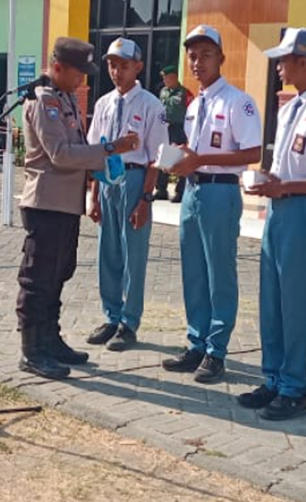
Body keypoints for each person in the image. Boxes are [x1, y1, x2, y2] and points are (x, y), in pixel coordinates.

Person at [240, 28, 306, 420]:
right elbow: (287, 166)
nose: (279, 67)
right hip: (279, 210)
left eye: (284, 61)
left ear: (304, 61)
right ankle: (273, 378)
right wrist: (271, 180)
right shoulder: (290, 108)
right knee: (271, 300)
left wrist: (287, 187)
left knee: (296, 303)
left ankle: (293, 388)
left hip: (303, 212)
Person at [17, 37, 140, 380]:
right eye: (78, 72)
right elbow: (61, 154)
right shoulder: (44, 101)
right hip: (46, 204)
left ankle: (50, 339)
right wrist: (111, 149)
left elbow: (78, 148)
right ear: (58, 68)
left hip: (65, 205)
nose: (82, 79)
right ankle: (32, 349)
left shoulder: (65, 97)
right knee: (37, 279)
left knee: (59, 274)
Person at [160, 25, 262, 383]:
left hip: (220, 191)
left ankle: (216, 351)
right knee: (193, 272)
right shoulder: (194, 104)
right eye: (192, 56)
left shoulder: (238, 102)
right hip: (193, 191)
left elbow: (252, 151)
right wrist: (181, 157)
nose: (197, 62)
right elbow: (196, 149)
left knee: (220, 273)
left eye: (205, 55)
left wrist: (200, 159)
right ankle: (197, 343)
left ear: (221, 58)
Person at [85, 38, 169, 352]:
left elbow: (157, 158)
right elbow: (96, 151)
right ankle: (111, 315)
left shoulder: (151, 105)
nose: (116, 71)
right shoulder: (103, 104)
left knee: (133, 253)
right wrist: (94, 194)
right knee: (108, 251)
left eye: (123, 65)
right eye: (111, 65)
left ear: (138, 67)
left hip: (135, 179)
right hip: (108, 180)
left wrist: (146, 199)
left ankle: (129, 322)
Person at [155, 64, 194, 202]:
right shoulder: (163, 92)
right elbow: (160, 110)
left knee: (180, 157)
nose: (164, 80)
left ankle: (180, 191)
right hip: (166, 128)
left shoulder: (184, 93)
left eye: (166, 77)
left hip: (180, 128)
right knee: (164, 157)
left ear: (174, 77)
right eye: (163, 78)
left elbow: (191, 112)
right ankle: (161, 189)